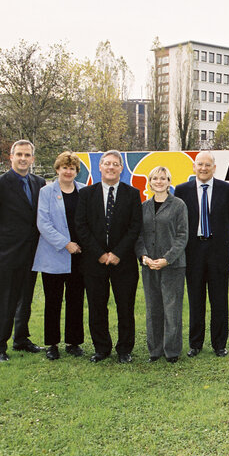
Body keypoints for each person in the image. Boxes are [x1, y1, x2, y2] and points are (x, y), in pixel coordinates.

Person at [0, 139, 46, 362]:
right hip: (8, 254)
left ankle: (21, 339)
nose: (23, 159)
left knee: (25, 298)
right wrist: (2, 240)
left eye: (27, 155)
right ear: (11, 157)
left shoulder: (39, 183)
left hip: (32, 253)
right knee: (4, 300)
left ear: (32, 159)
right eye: (19, 155)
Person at [75, 150, 142, 364]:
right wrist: (100, 254)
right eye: (107, 163)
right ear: (100, 167)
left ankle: (125, 349)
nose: (111, 167)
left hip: (124, 262)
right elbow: (81, 226)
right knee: (96, 306)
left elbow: (135, 227)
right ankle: (101, 348)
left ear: (121, 169)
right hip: (94, 262)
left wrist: (117, 253)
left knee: (125, 307)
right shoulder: (86, 194)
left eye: (115, 164)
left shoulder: (132, 194)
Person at [174, 151, 229, 358]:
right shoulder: (182, 191)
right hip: (193, 251)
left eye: (207, 165)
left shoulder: (227, 189)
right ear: (194, 167)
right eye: (200, 164)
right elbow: (179, 221)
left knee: (220, 300)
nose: (203, 168)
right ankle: (195, 344)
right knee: (195, 299)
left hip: (218, 251)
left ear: (214, 167)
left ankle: (219, 344)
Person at [32, 151, 86, 360]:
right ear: (57, 169)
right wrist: (65, 244)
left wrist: (79, 245)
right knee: (53, 301)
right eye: (64, 168)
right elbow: (43, 223)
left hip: (78, 256)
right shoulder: (46, 192)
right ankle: (52, 344)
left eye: (72, 168)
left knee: (75, 299)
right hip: (54, 254)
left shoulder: (83, 191)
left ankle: (74, 342)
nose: (68, 171)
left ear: (76, 171)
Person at [135, 166, 189, 363]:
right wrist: (144, 257)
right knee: (153, 308)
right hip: (149, 265)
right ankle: (155, 350)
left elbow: (182, 236)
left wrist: (167, 259)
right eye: (155, 178)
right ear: (149, 182)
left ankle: (172, 350)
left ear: (169, 182)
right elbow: (138, 235)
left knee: (172, 308)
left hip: (173, 266)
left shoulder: (178, 205)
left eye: (163, 178)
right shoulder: (143, 207)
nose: (159, 181)